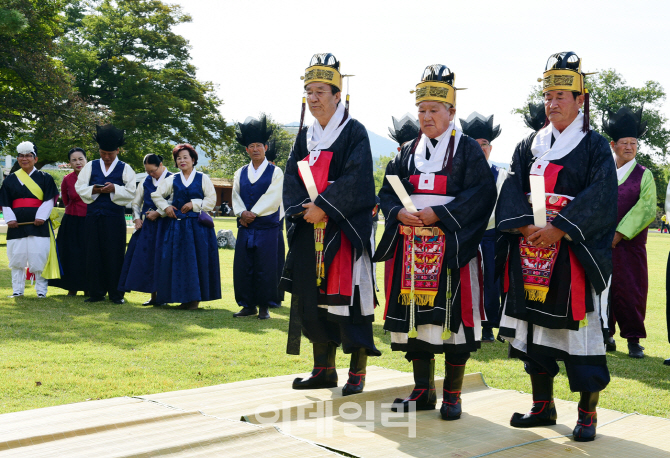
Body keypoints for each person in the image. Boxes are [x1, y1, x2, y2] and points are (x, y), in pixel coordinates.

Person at [496, 52, 617, 442]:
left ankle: (587, 414)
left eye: (561, 96)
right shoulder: (529, 144)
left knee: (579, 335)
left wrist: (561, 228)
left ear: (581, 100)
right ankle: (542, 406)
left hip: (572, 255)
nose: (552, 102)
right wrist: (526, 226)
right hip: (530, 252)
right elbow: (512, 188)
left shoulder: (595, 147)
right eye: (548, 96)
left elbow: (602, 195)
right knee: (534, 332)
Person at [375, 64, 496, 420]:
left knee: (452, 321)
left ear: (452, 112)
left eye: (434, 110)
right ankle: (422, 391)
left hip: (452, 248)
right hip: (411, 247)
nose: (426, 117)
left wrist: (440, 216)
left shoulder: (468, 150)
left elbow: (482, 194)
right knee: (416, 321)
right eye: (422, 110)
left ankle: (454, 395)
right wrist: (399, 213)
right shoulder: (407, 151)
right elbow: (386, 191)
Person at [281, 53, 380, 396]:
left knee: (349, 304)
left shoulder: (354, 132)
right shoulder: (305, 136)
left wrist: (324, 206)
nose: (313, 98)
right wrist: (301, 210)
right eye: (309, 91)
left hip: (344, 231)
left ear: (338, 95)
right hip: (310, 229)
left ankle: (357, 373)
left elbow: (357, 180)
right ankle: (323, 369)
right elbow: (292, 178)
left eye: (320, 91)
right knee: (313, 301)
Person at [601, 107, 656, 358]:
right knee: (602, 289)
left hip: (630, 246)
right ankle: (605, 334)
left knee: (631, 290)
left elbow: (645, 209)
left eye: (634, 143)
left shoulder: (644, 175)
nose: (630, 147)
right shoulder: (602, 172)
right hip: (600, 243)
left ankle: (633, 339)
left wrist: (619, 234)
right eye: (624, 143)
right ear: (613, 144)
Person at [151, 144, 221, 310]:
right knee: (180, 262)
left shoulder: (203, 178)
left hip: (198, 228)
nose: (182, 161)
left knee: (197, 261)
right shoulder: (172, 179)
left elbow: (211, 200)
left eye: (185, 157)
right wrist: (166, 207)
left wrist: (194, 204)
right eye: (178, 158)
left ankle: (195, 300)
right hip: (178, 228)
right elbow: (156, 194)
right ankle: (183, 298)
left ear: (193, 159)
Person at [460, 112, 507, 342]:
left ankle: (488, 325)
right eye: (476, 145)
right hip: (466, 235)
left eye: (485, 144)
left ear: (491, 148)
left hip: (491, 235)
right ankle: (465, 320)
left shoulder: (502, 175)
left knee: (491, 280)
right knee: (466, 279)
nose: (481, 149)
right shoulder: (459, 174)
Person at [75, 125, 136, 304]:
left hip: (114, 217)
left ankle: (116, 294)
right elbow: (80, 187)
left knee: (115, 253)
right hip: (93, 217)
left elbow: (131, 191)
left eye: (110, 153)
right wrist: (94, 189)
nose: (107, 157)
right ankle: (96, 292)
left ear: (118, 150)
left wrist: (114, 189)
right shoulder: (91, 166)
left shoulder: (125, 168)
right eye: (103, 153)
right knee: (93, 253)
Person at [232, 116, 284, 319]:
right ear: (246, 150)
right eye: (251, 146)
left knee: (265, 267)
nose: (255, 149)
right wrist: (241, 213)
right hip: (245, 227)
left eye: (259, 145)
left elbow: (274, 196)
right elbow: (235, 195)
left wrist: (253, 213)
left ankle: (264, 306)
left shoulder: (275, 172)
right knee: (244, 267)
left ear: (266, 147)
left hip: (266, 228)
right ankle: (247, 305)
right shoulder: (240, 172)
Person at [0, 141, 59, 298]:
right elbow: (5, 201)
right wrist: (10, 219)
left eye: (28, 156)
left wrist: (41, 216)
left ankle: (41, 291)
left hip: (39, 225)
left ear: (35, 159)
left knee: (39, 256)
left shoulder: (46, 178)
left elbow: (49, 200)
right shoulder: (10, 180)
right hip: (16, 225)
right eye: (21, 156)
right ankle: (17, 291)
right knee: (17, 258)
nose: (24, 158)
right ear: (17, 159)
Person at [118, 154, 172, 306]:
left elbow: (175, 200)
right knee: (149, 260)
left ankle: (164, 296)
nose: (151, 174)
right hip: (148, 227)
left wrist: (159, 212)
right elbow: (136, 202)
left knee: (164, 260)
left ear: (161, 165)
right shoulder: (145, 181)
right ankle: (153, 296)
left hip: (166, 225)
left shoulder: (172, 179)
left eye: (153, 171)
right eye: (148, 171)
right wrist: (137, 218)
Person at [385, 114, 421, 295]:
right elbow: (385, 196)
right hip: (399, 236)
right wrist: (398, 212)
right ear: (399, 148)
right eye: (405, 147)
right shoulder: (393, 166)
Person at [49, 148, 89, 295]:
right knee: (71, 254)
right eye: (74, 160)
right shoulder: (67, 179)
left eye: (81, 159)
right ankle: (71, 288)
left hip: (90, 221)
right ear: (70, 163)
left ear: (86, 160)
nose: (78, 162)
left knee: (89, 254)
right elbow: (66, 201)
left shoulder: (95, 177)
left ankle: (89, 288)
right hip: (71, 221)